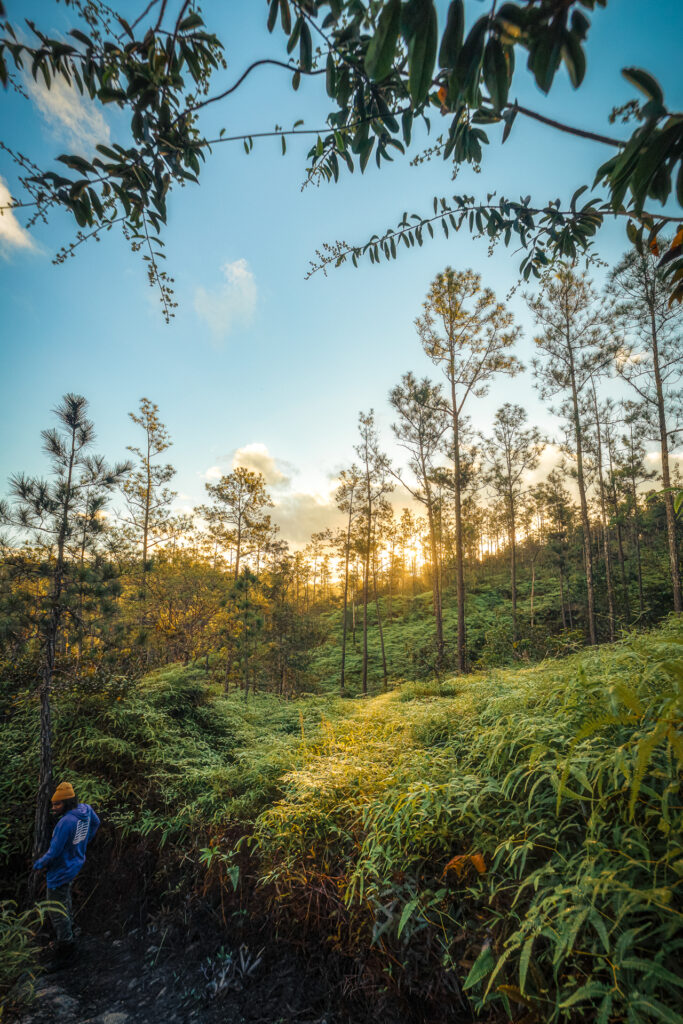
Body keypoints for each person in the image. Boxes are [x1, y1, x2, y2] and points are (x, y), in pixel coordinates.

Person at [32, 782, 100, 965]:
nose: (54, 808)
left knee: (56, 910)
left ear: (67, 803)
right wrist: (83, 844)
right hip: (74, 864)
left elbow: (53, 852)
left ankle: (66, 950)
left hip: (60, 871)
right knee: (65, 900)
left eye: (58, 804)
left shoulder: (65, 823)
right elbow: (96, 823)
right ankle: (70, 934)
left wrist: (37, 864)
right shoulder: (85, 810)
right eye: (53, 804)